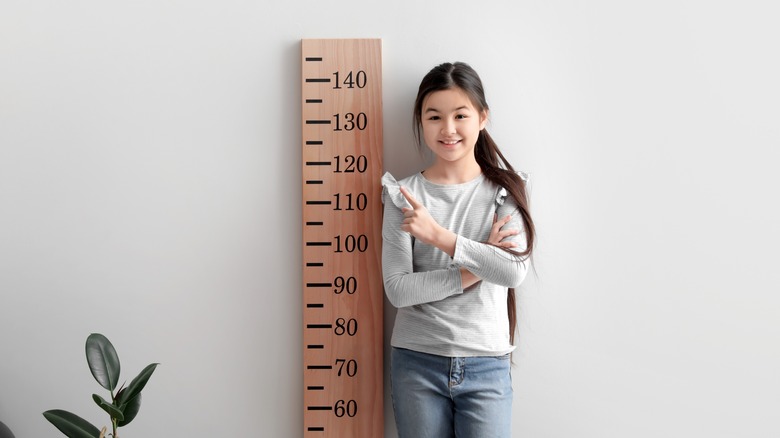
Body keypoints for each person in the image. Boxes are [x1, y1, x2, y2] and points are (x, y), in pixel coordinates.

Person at [381, 61, 536, 438]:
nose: (447, 129)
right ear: (421, 121)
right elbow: (399, 290)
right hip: (416, 363)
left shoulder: (506, 191)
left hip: (487, 365)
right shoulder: (402, 195)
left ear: (482, 118)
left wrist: (439, 237)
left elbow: (514, 271)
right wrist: (479, 263)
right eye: (434, 117)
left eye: (460, 115)